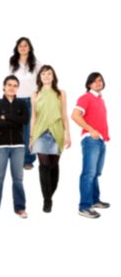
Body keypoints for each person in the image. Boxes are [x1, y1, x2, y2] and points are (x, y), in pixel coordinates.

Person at [0, 75, 29, 218]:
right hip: (0, 146)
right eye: (9, 85)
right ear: (4, 86)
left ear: (17, 88)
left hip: (18, 146)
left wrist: (6, 116)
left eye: (15, 85)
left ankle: (20, 208)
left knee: (18, 179)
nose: (12, 87)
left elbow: (25, 120)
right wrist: (15, 119)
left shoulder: (21, 104)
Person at [30, 65, 71, 213]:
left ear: (53, 76)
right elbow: (33, 117)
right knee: (44, 165)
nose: (46, 76)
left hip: (57, 132)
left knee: (53, 166)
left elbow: (64, 115)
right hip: (40, 133)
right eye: (43, 74)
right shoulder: (35, 94)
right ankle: (46, 200)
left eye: (49, 74)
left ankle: (50, 195)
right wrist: (31, 138)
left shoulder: (61, 93)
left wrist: (68, 134)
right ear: (40, 77)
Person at [71, 72, 110, 219]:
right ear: (89, 84)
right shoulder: (85, 97)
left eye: (100, 80)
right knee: (88, 173)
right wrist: (91, 130)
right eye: (94, 81)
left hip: (100, 140)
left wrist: (103, 136)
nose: (98, 83)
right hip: (91, 140)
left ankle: (94, 200)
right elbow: (75, 115)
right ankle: (84, 206)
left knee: (96, 173)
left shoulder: (100, 100)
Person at [9, 37, 42, 170]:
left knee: (29, 130)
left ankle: (28, 159)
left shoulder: (36, 63)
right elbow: (10, 81)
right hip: (16, 99)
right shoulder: (13, 62)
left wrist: (39, 96)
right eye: (20, 46)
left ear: (29, 48)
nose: (23, 48)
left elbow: (41, 81)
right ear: (17, 48)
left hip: (31, 99)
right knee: (17, 130)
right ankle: (16, 158)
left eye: (25, 45)